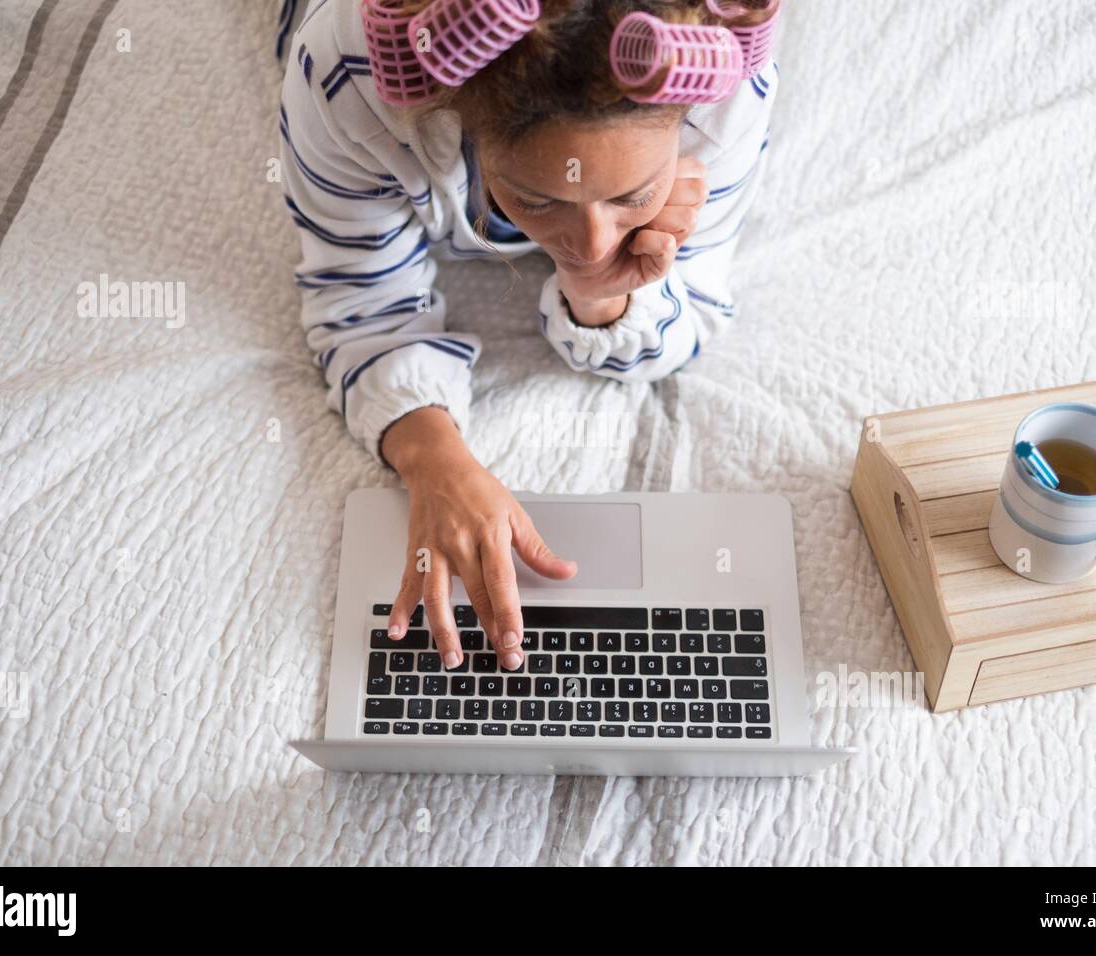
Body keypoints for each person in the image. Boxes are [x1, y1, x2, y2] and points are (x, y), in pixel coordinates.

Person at [278, 0, 779, 671]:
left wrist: (602, 292)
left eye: (631, 195)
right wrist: (435, 462)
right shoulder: (347, 72)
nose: (593, 242)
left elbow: (691, 312)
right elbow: (358, 298)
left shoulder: (725, 84)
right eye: (537, 199)